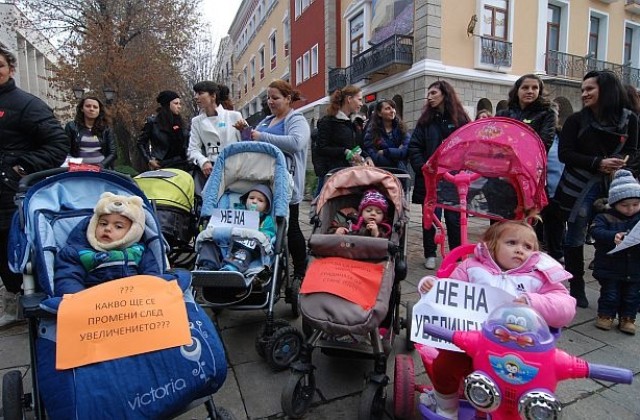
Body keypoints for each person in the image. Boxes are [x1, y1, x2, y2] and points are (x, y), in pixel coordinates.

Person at [418, 220, 575, 418]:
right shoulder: (472, 267)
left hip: (520, 351)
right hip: (470, 344)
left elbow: (565, 307)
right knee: (444, 365)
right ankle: (446, 407)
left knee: (527, 386)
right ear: (492, 245)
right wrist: (434, 287)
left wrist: (532, 302)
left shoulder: (539, 277)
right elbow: (451, 292)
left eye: (527, 247)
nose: (520, 250)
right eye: (511, 243)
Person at [554, 70, 639, 308]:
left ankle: (615, 288)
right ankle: (577, 285)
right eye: (582, 90)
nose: (584, 94)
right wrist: (597, 163)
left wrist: (621, 160)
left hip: (613, 187)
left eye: (590, 89)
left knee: (614, 232)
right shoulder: (576, 120)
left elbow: (633, 149)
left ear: (607, 89)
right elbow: (565, 154)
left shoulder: (630, 119)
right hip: (579, 187)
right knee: (575, 236)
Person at [0, 45, 69, 327]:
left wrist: (21, 169)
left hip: (11, 193)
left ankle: (24, 298)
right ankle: (15, 297)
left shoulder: (26, 104)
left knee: (14, 248)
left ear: (11, 69)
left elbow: (58, 143)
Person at [249, 79, 309, 282]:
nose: (270, 102)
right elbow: (253, 140)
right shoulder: (266, 121)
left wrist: (262, 137)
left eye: (275, 98)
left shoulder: (296, 119)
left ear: (288, 98)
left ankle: (301, 271)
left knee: (290, 227)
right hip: (263, 182)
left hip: (286, 182)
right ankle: (266, 265)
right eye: (268, 98)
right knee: (264, 226)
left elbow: (296, 142)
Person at [408, 80, 470, 270]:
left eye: (434, 92)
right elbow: (414, 146)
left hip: (453, 179)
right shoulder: (425, 122)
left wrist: (463, 169)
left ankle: (456, 255)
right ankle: (429, 253)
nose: (430, 96)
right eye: (429, 93)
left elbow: (469, 146)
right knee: (430, 216)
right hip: (431, 179)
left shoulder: (461, 120)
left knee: (454, 219)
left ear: (445, 94)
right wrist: (422, 167)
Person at [53, 192, 161, 297]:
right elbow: (68, 279)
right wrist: (78, 300)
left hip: (133, 301)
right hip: (94, 303)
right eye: (103, 224)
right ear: (93, 225)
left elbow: (151, 276)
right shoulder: (77, 252)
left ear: (132, 232)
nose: (108, 229)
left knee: (172, 279)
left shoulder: (139, 251)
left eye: (118, 226)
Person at [591, 169, 640, 334]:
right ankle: (605, 315)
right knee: (610, 293)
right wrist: (613, 236)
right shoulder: (605, 217)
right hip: (610, 265)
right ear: (614, 203)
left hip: (635, 267)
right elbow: (596, 231)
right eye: (624, 205)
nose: (630, 209)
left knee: (632, 295)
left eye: (635, 204)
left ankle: (628, 318)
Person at [187, 81, 244, 193]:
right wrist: (203, 161)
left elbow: (246, 143)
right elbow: (193, 149)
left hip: (235, 169)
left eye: (200, 93)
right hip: (211, 170)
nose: (196, 97)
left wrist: (244, 131)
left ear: (213, 96)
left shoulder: (233, 116)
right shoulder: (196, 121)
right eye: (196, 93)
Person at [315, 85, 372, 196]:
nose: (361, 104)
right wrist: (345, 152)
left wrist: (367, 157)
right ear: (349, 99)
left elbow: (357, 146)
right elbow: (321, 148)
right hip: (331, 175)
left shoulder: (354, 122)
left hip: (349, 174)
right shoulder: (328, 121)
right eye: (359, 99)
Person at [221, 184, 276, 273]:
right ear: (245, 200)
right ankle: (208, 266)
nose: (254, 201)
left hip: (250, 247)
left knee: (243, 254)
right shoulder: (239, 213)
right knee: (213, 245)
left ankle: (231, 269)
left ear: (266, 208)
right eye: (251, 198)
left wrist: (265, 234)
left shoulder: (267, 219)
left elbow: (269, 232)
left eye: (260, 200)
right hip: (231, 242)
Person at [497, 74, 556, 150]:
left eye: (535, 88)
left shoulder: (547, 113)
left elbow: (544, 144)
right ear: (517, 91)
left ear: (539, 91)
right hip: (504, 159)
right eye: (525, 88)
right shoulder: (503, 114)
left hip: (531, 159)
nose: (530, 91)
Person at [137, 90, 190, 171]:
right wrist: (149, 160)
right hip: (162, 165)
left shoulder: (183, 123)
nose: (179, 106)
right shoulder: (153, 122)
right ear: (167, 104)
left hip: (184, 164)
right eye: (176, 103)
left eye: (180, 104)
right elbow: (141, 142)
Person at [66, 95, 117, 169]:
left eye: (95, 107)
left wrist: (101, 166)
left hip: (102, 171)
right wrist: (76, 165)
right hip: (78, 171)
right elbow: (65, 150)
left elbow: (113, 153)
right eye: (88, 106)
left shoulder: (106, 129)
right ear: (82, 109)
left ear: (99, 111)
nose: (91, 109)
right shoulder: (71, 126)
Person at [363, 99, 410, 169]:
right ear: (379, 113)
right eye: (387, 108)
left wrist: (385, 152)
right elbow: (372, 154)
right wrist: (396, 154)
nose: (392, 111)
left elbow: (405, 150)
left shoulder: (402, 129)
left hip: (401, 171)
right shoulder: (372, 131)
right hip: (381, 171)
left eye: (393, 108)